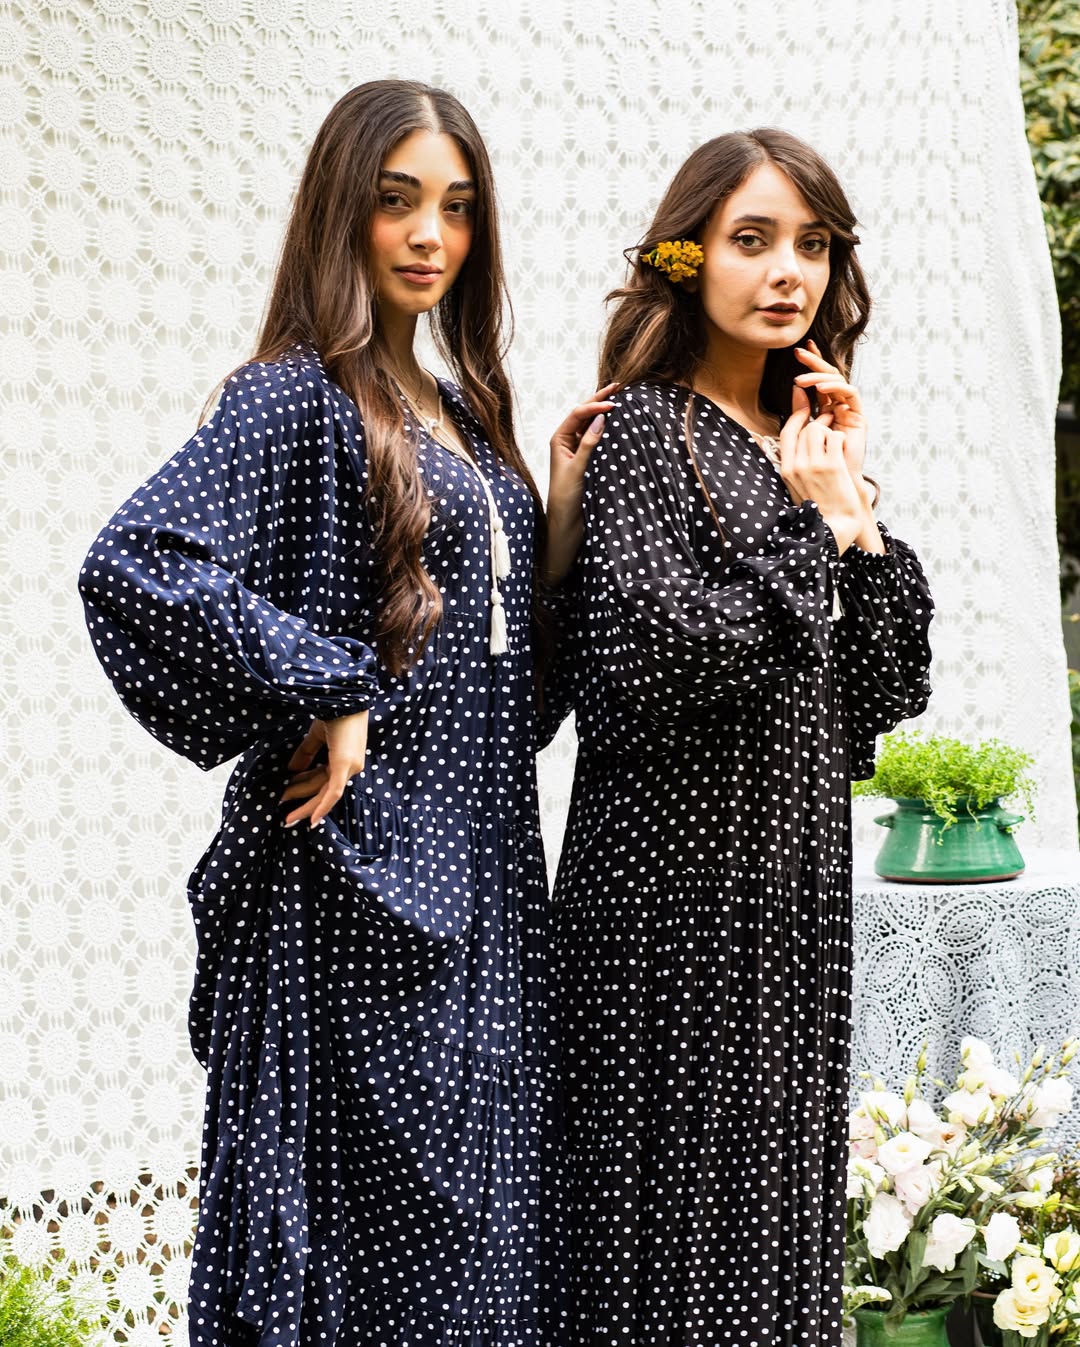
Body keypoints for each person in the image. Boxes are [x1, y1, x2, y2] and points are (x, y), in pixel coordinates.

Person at [79, 80, 608, 1347]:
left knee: (491, 1261)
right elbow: (135, 566)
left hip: (492, 899)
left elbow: (509, 703)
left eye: (458, 208)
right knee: (388, 1267)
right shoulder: (292, 397)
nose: (431, 235)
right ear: (342, 211)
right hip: (363, 892)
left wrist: (553, 524)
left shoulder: (468, 412)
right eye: (397, 201)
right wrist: (334, 683)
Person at [541, 129, 934, 1345]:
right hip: (669, 905)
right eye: (751, 239)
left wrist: (851, 509)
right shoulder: (646, 434)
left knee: (767, 1228)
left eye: (812, 245)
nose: (788, 272)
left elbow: (882, 690)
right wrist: (815, 535)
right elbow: (655, 663)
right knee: (666, 1229)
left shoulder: (800, 443)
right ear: (687, 256)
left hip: (789, 897)